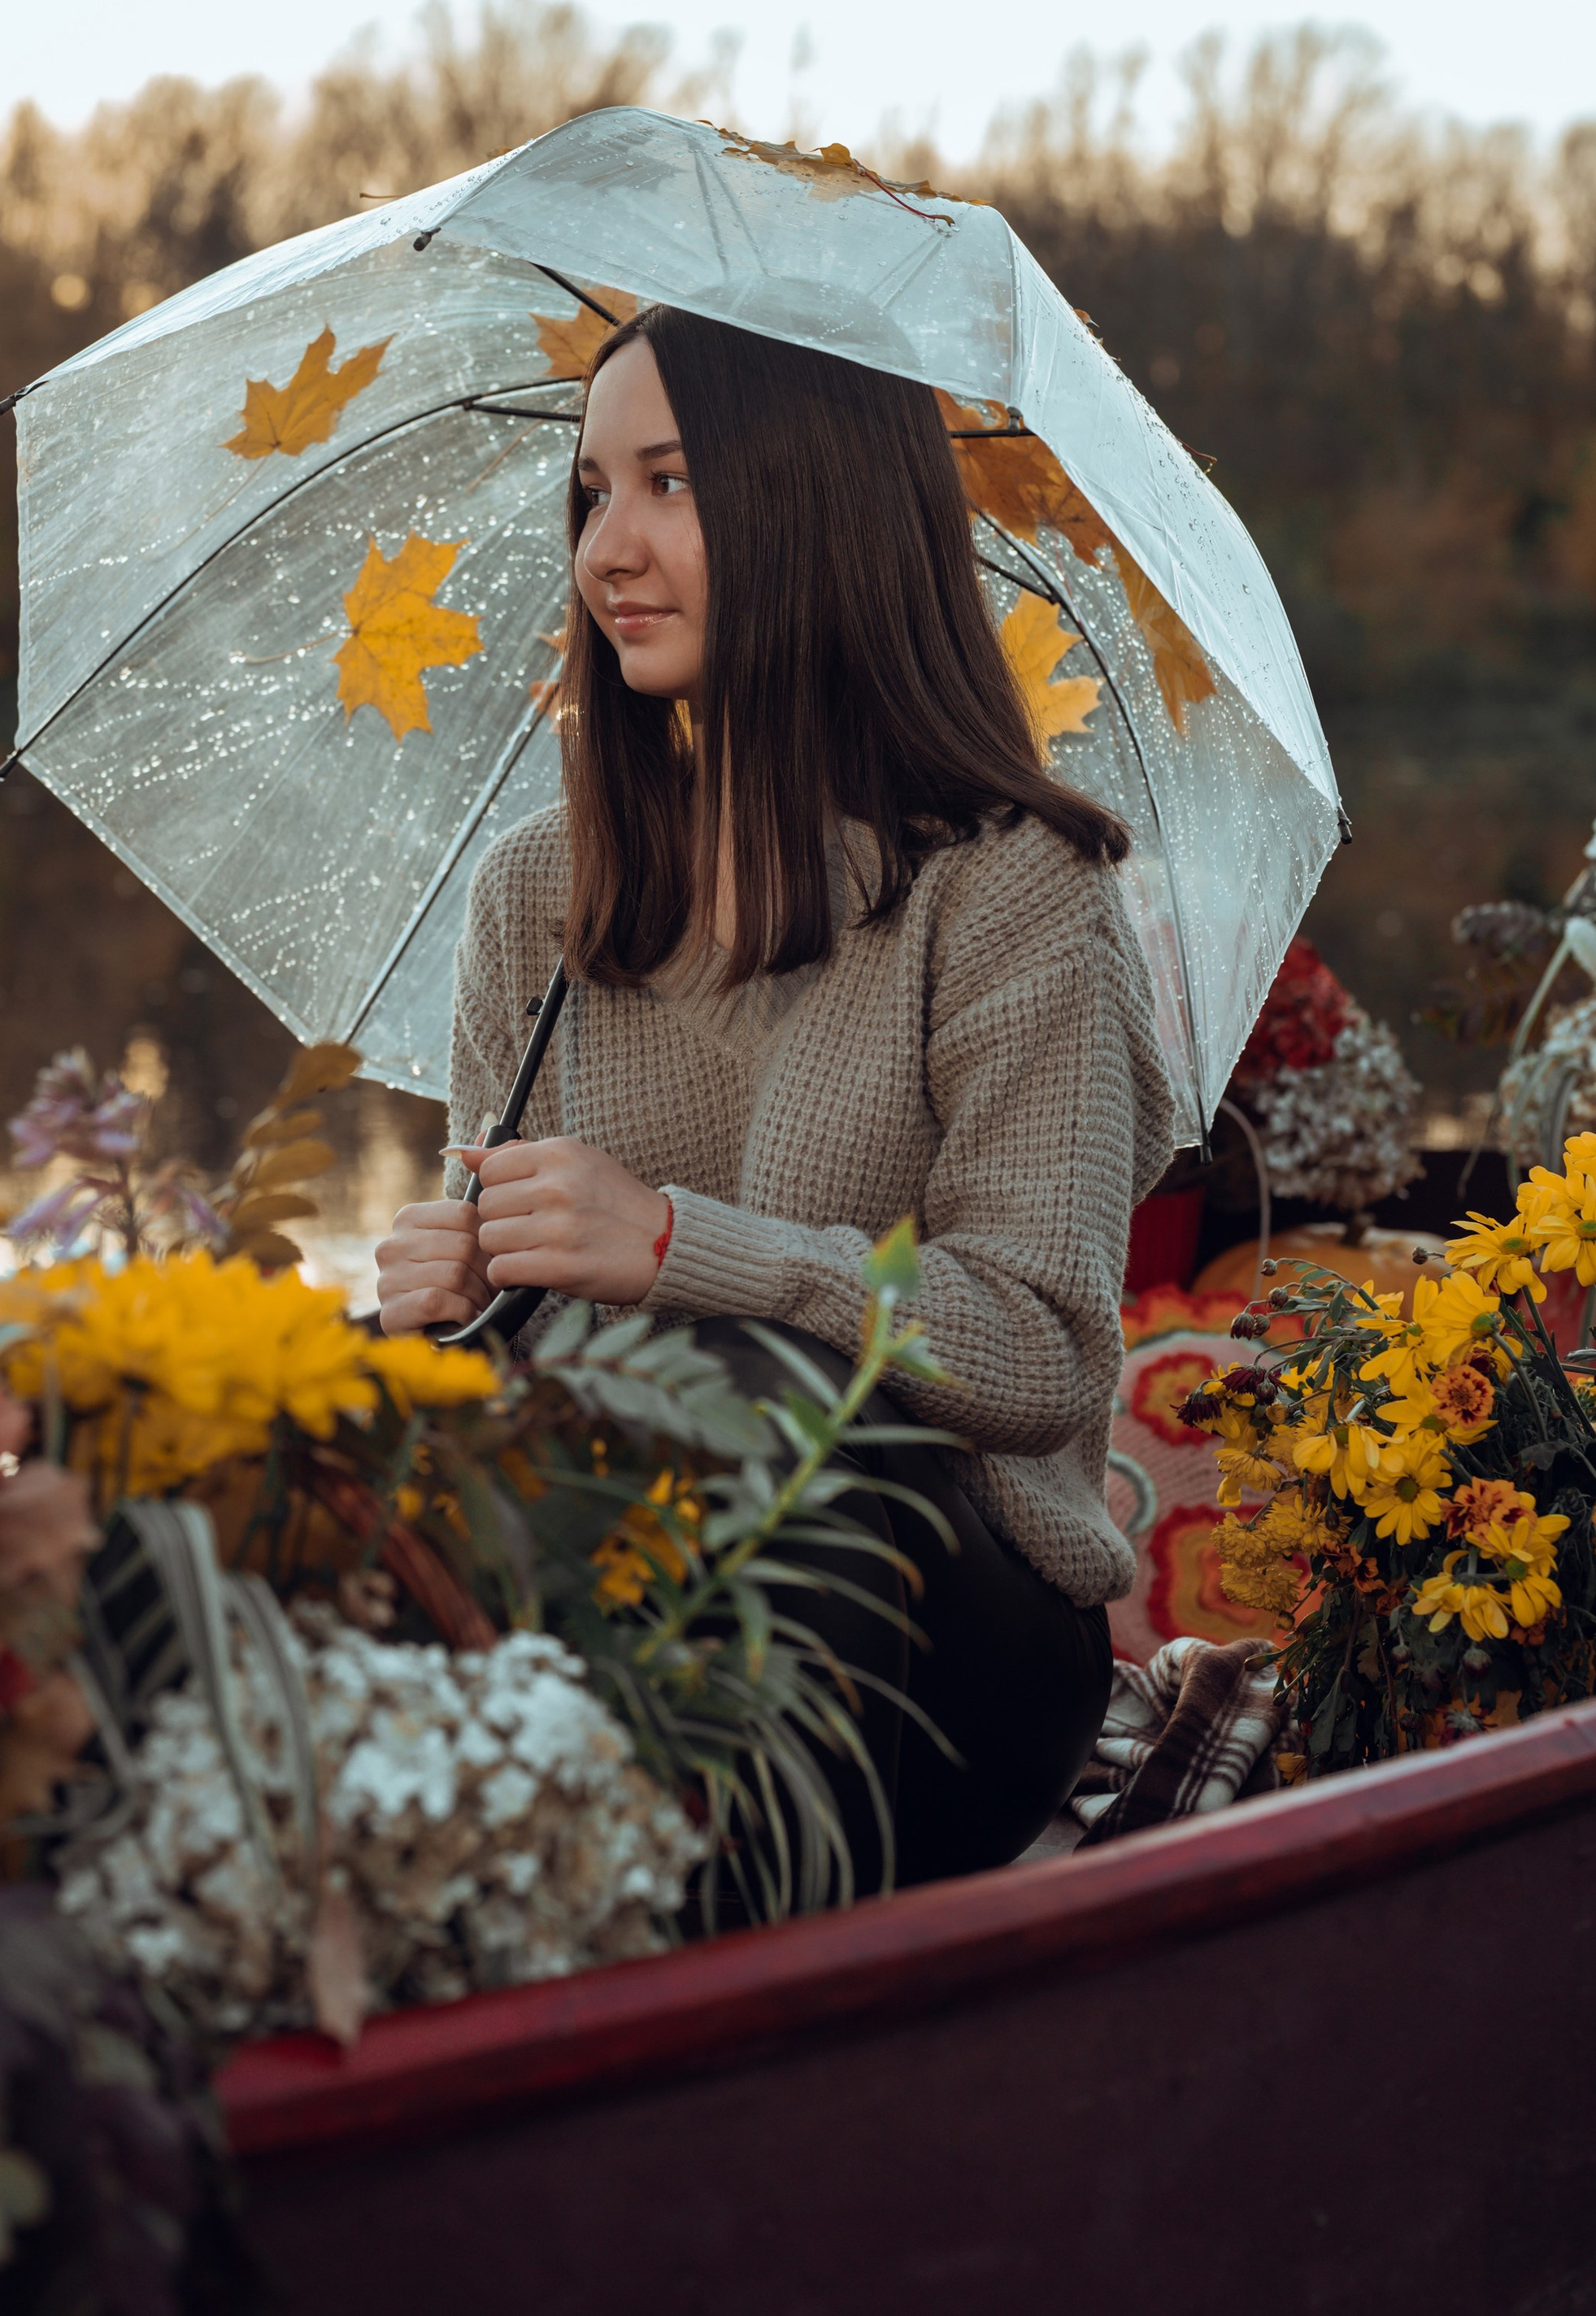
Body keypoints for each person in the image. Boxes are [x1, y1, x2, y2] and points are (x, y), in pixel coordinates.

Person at [376, 304, 1173, 1889]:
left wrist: (684, 1249)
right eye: (591, 493)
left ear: (815, 509)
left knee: (758, 1408)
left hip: (938, 1626)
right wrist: (453, 1295)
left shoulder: (1011, 892)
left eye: (670, 483)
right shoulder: (538, 897)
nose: (610, 547)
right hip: (607, 1573)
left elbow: (1040, 1352)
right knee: (294, 1427)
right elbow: (520, 1352)